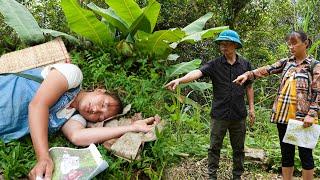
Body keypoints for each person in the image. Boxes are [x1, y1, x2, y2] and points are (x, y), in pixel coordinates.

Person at [0, 63, 157, 179]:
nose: (96, 110)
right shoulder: (73, 75)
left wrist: (131, 127)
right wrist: (43, 157)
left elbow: (77, 137)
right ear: (99, 90)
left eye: (100, 117)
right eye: (103, 103)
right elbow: (38, 105)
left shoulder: (74, 117)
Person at [165, 30, 255, 180]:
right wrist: (180, 80)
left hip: (239, 115)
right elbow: (198, 72)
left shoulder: (245, 64)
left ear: (234, 45)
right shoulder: (215, 64)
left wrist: (251, 108)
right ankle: (212, 176)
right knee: (214, 147)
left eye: (226, 45)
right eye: (221, 45)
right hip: (219, 114)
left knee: (238, 149)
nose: (223, 48)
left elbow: (249, 87)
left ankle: (237, 176)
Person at [233, 31, 320, 180]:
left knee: (306, 155)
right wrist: (248, 74)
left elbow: (318, 92)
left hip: (303, 119)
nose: (291, 47)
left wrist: (311, 114)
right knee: (286, 155)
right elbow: (267, 69)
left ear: (305, 44)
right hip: (283, 116)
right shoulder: (287, 62)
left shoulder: (314, 65)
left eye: (295, 43)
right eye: (289, 44)